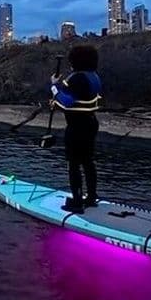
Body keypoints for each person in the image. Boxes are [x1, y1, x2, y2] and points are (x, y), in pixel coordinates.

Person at [50, 45, 102, 213]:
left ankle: (77, 202)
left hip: (77, 126)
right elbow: (79, 98)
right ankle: (91, 197)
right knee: (88, 161)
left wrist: (54, 87)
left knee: (73, 164)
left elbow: (67, 102)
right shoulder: (94, 76)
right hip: (91, 123)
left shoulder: (77, 78)